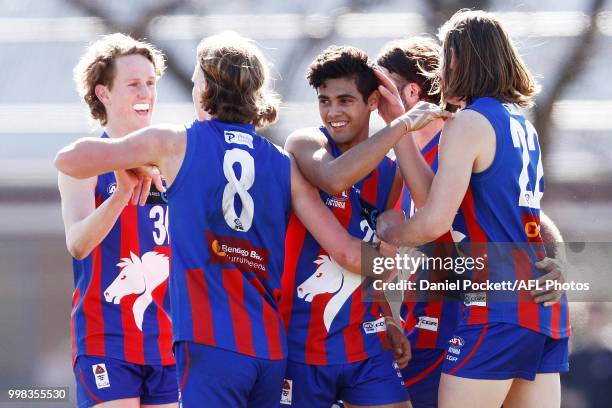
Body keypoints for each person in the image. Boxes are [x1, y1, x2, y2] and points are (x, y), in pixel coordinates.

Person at [55, 32, 406, 408]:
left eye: (193, 81)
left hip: (209, 343)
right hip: (269, 349)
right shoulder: (282, 163)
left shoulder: (177, 142)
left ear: (205, 86)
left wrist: (127, 164)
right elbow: (349, 254)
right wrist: (403, 260)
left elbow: (68, 159)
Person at [376, 10, 570, 408]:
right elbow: (458, 203)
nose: (440, 73)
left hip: (496, 304)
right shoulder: (521, 123)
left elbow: (434, 222)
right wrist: (400, 130)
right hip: (543, 309)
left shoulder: (468, 122)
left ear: (460, 60)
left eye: (445, 58)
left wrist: (388, 232)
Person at [279, 45, 450, 408]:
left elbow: (381, 268)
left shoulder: (391, 173)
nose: (333, 112)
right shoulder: (306, 144)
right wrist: (402, 123)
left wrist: (389, 317)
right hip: (303, 344)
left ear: (372, 101)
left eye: (345, 100)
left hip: (364, 342)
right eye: (325, 101)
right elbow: (333, 179)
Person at [60, 33, 178, 407]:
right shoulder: (84, 163)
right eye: (132, 84)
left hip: (168, 340)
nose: (145, 93)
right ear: (103, 94)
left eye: (150, 83)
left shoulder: (174, 159)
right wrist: (123, 191)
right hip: (106, 337)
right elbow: (78, 243)